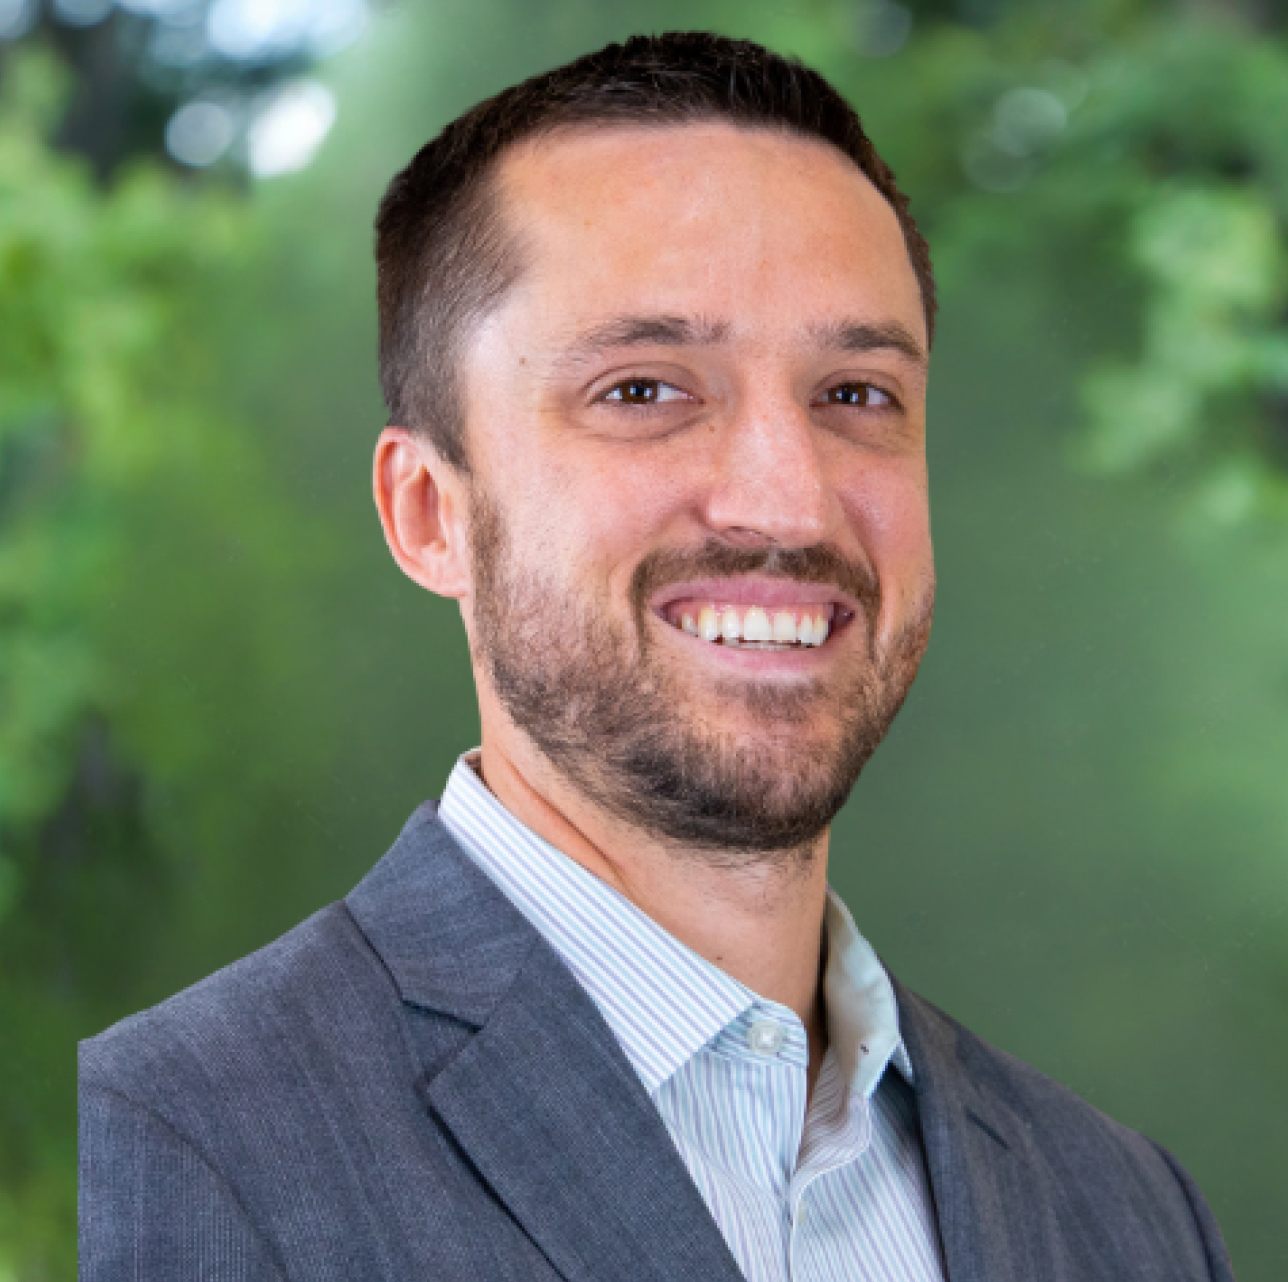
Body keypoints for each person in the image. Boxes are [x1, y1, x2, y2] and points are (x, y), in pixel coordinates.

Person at [79, 32, 1233, 1282]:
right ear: (429, 514)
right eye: (643, 390)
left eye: (855, 394)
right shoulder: (171, 1145)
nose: (787, 504)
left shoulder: (1127, 1212)